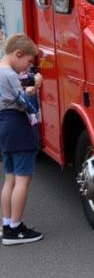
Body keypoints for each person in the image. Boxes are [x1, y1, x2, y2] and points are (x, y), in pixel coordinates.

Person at [0, 34, 44, 245]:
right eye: (28, 62)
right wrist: (33, 88)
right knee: (22, 180)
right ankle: (16, 228)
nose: (27, 67)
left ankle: (7, 223)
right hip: (17, 126)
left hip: (4, 127)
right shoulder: (8, 75)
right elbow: (25, 104)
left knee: (9, 179)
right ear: (18, 54)